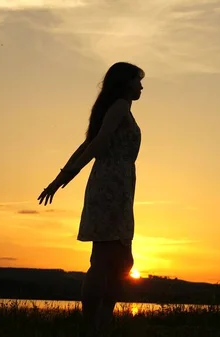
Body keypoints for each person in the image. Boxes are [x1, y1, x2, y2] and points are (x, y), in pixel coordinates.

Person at [37, 61, 144, 337]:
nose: (141, 86)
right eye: (137, 81)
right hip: (110, 186)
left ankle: (98, 324)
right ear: (124, 83)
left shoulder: (119, 109)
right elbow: (95, 145)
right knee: (106, 260)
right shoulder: (120, 106)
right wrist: (64, 176)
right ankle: (93, 325)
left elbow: (89, 143)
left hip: (118, 187)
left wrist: (63, 178)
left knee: (119, 261)